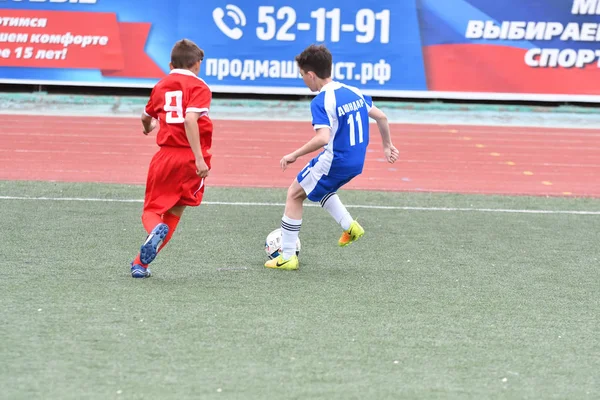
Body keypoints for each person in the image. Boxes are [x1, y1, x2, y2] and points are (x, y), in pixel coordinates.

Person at [265, 44, 399, 271]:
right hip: (356, 162)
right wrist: (387, 146)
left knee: (294, 195)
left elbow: (322, 138)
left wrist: (293, 155)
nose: (303, 81)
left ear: (311, 74)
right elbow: (382, 117)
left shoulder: (321, 101)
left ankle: (287, 257)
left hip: (335, 160)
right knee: (320, 189)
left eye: (302, 76)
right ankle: (350, 226)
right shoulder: (354, 91)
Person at [130, 38, 212, 278]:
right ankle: (139, 264)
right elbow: (190, 119)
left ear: (170, 64)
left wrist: (149, 128)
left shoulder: (161, 86)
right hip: (190, 160)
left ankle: (146, 249)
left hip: (166, 156)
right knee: (175, 211)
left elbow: (146, 117)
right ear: (197, 64)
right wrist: (199, 158)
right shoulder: (200, 87)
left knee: (152, 210)